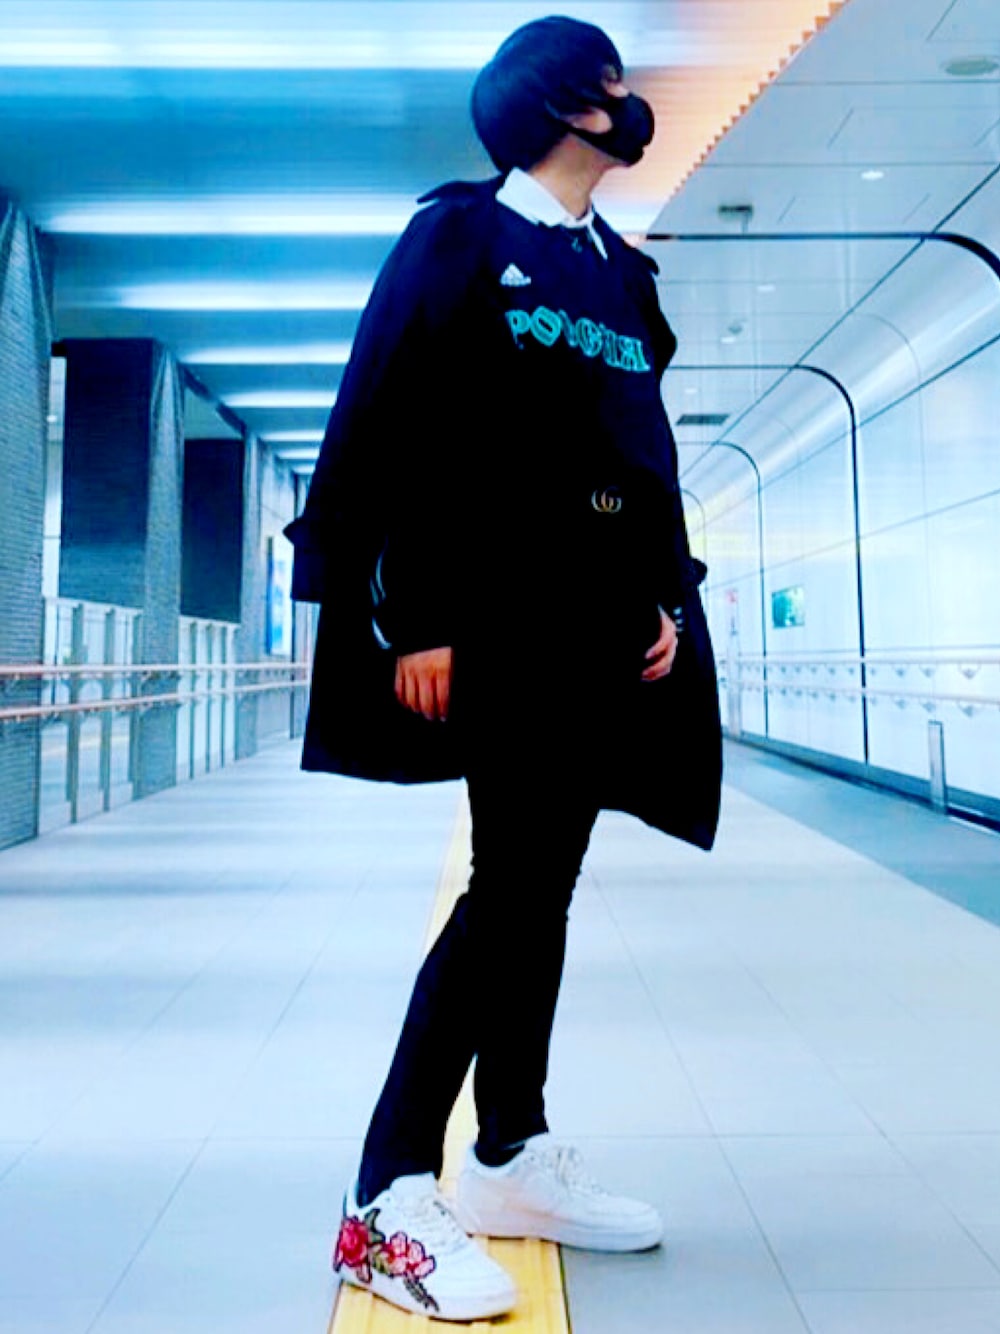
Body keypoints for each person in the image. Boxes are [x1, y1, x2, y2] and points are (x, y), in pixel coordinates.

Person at [285, 15, 722, 1322]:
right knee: (515, 886)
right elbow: (390, 415)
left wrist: (663, 592)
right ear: (556, 105)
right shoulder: (462, 238)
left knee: (542, 888)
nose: (629, 103)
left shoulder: (618, 272)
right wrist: (411, 613)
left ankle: (508, 1154)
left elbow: (637, 448)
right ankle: (385, 1196)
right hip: (497, 616)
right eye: (608, 85)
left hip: (601, 621)